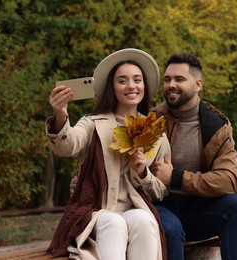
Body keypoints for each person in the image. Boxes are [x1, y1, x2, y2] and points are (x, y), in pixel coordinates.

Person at [46, 48, 170, 260]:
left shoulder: (155, 132)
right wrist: (60, 115)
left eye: (137, 80)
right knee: (114, 222)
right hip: (98, 213)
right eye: (122, 81)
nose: (131, 86)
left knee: (144, 219)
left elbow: (161, 191)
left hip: (134, 209)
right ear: (112, 88)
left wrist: (142, 173)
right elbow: (67, 146)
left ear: (144, 86)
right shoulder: (93, 122)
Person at [149, 53, 237, 260]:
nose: (171, 84)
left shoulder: (216, 126)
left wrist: (176, 177)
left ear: (198, 85)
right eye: (167, 79)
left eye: (179, 79)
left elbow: (228, 180)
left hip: (196, 208)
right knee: (170, 227)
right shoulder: (150, 119)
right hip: (156, 206)